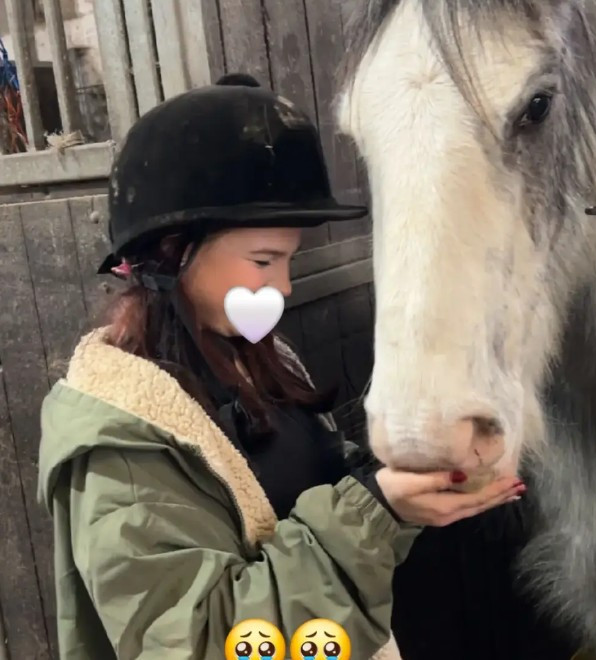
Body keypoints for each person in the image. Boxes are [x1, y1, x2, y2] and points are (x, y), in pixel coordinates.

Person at [37, 73, 525, 660]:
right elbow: (206, 641)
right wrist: (375, 511)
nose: (285, 286)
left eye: (289, 261)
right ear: (171, 250)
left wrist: (414, 482)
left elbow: (323, 499)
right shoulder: (121, 447)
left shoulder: (255, 361)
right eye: (264, 260)